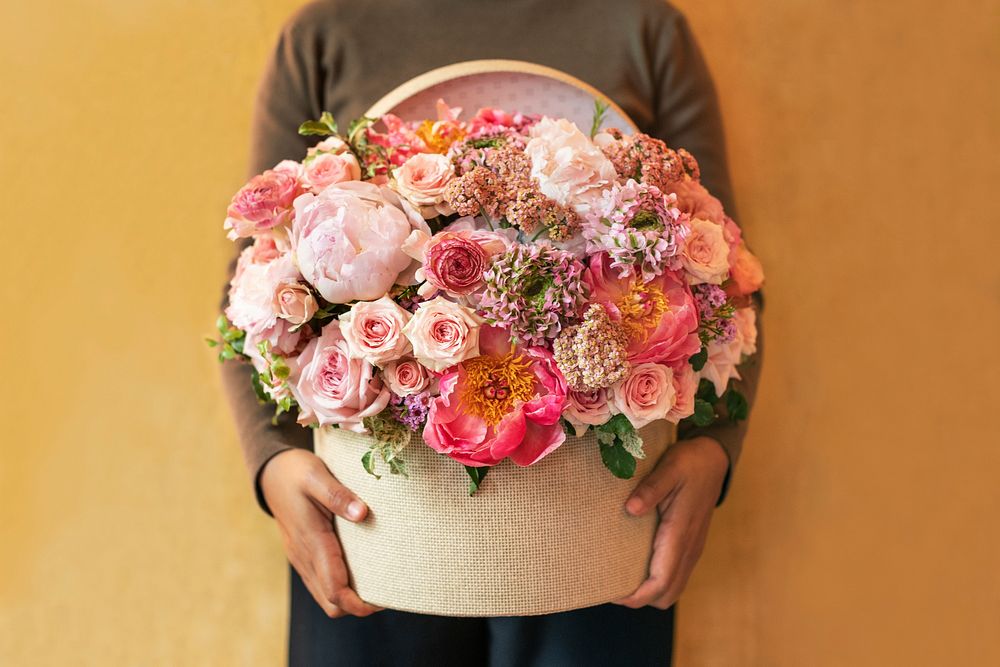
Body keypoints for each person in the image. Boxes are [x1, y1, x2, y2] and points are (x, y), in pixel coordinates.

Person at [219, 1, 763, 664]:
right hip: (378, 520)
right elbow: (255, 281)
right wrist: (273, 462)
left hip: (598, 527)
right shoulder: (325, 34)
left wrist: (713, 452)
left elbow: (727, 269)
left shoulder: (645, 29)